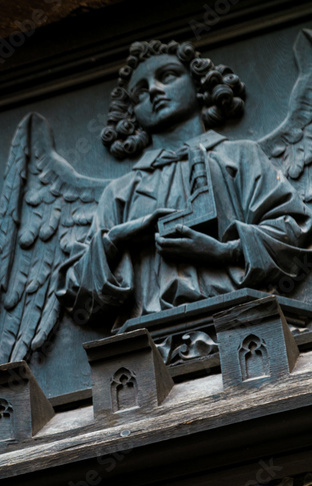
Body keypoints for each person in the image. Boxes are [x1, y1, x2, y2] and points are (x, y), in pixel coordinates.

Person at [61, 40, 312, 326]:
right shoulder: (120, 192)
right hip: (145, 345)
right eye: (140, 91)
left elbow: (295, 233)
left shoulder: (240, 156)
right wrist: (117, 240)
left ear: (200, 85)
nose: (154, 90)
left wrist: (223, 251)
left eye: (167, 76)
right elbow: (79, 297)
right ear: (131, 113)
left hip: (244, 324)